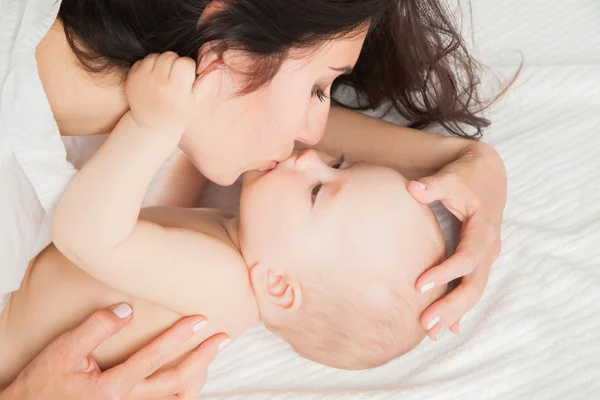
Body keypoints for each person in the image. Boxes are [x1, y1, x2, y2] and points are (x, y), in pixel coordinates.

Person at [0, 0, 506, 397]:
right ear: (229, 40)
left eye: (317, 190)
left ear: (281, 288)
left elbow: (87, 233)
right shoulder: (228, 257)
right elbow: (169, 197)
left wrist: (153, 125)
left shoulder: (220, 283)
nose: (314, 145)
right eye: (338, 164)